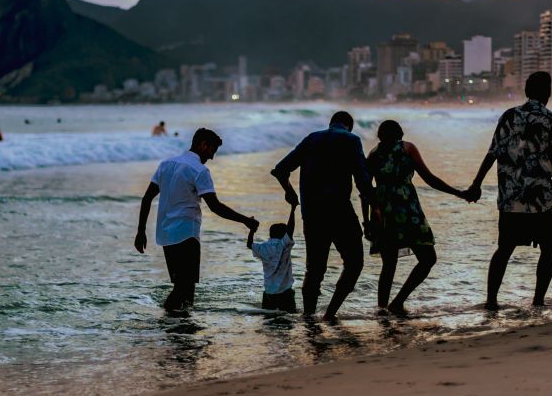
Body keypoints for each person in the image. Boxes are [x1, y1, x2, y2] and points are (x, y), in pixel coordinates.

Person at [467, 72, 552, 310]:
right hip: (543, 199)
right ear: (548, 93)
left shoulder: (508, 116)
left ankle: (491, 300)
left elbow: (492, 153)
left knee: (504, 249)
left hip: (511, 199)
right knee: (548, 249)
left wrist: (476, 184)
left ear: (526, 90)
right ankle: (538, 301)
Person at [135, 128, 259, 312]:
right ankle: (165, 324)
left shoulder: (166, 164)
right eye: (212, 151)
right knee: (183, 288)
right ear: (203, 145)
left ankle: (183, 331)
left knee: (186, 286)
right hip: (187, 234)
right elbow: (215, 206)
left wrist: (141, 231)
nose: (212, 157)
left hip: (166, 234)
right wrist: (245, 221)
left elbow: (147, 198)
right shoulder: (199, 170)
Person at [271, 111, 375, 320]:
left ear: (330, 123)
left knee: (315, 269)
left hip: (312, 214)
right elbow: (363, 183)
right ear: (350, 126)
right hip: (340, 211)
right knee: (354, 263)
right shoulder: (351, 140)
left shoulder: (312, 138)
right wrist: (373, 214)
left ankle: (309, 316)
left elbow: (281, 170)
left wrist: (289, 192)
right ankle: (330, 313)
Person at [368, 120, 472, 316]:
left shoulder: (373, 154)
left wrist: (370, 217)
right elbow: (430, 179)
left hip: (383, 213)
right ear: (400, 133)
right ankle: (397, 302)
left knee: (388, 264)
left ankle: (382, 309)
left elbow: (366, 189)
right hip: (407, 210)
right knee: (427, 258)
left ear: (380, 136)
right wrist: (459, 193)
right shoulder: (407, 148)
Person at [247, 202, 297, 313]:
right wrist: (293, 209)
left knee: (268, 321)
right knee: (290, 320)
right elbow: (291, 229)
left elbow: (249, 244)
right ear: (284, 235)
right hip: (284, 292)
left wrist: (251, 230)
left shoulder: (263, 247)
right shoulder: (284, 245)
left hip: (269, 293)